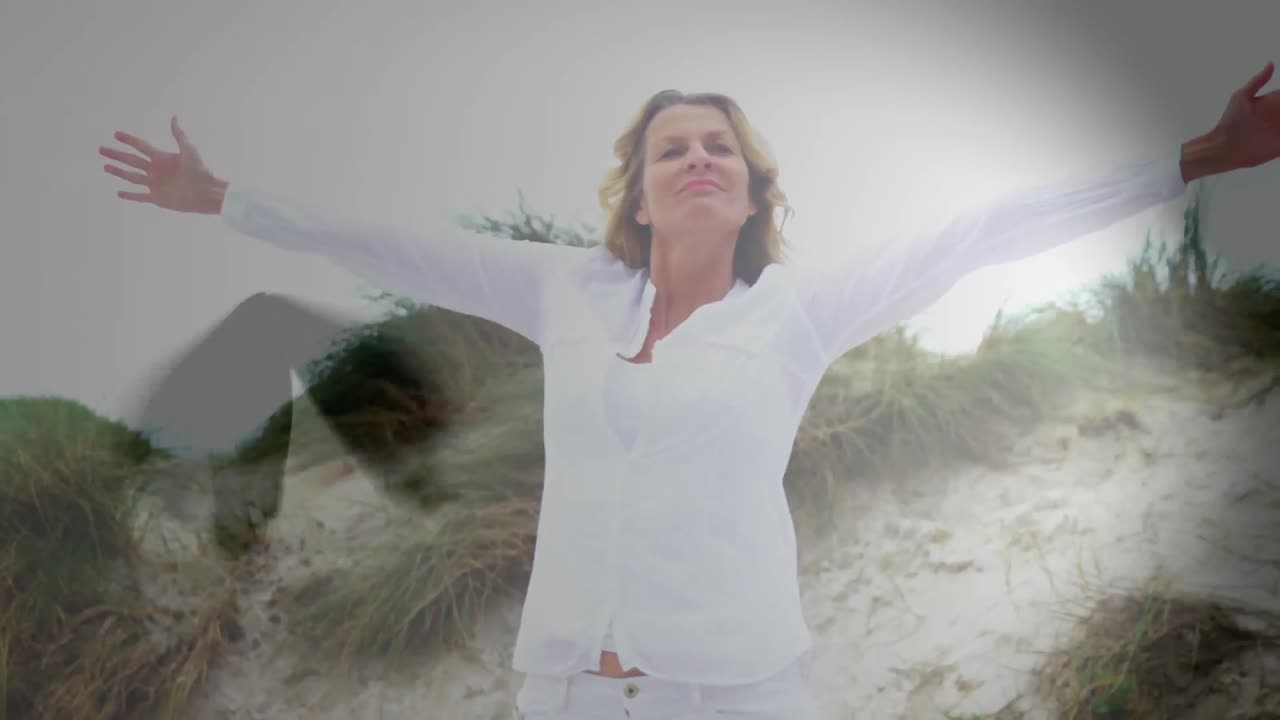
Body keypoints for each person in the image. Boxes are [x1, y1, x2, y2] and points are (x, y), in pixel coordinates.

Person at [100, 64, 1280, 719]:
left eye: (721, 145)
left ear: (753, 193)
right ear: (641, 196)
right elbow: (396, 244)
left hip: (736, 694)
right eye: (673, 148)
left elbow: (983, 230)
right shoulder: (567, 293)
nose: (699, 157)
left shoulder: (797, 313)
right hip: (561, 689)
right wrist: (226, 200)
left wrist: (1191, 158)